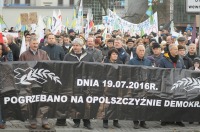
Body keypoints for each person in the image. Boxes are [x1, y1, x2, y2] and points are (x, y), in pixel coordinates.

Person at [19, 36, 50, 129]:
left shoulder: (43, 53)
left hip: (41, 81)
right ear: (29, 43)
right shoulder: (24, 55)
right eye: (34, 43)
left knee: (44, 101)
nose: (36, 45)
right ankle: (33, 121)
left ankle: (45, 121)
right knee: (31, 102)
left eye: (37, 43)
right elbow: (20, 67)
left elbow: (49, 64)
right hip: (29, 82)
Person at [62, 38, 94, 129]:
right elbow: (64, 68)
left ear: (81, 46)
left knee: (86, 103)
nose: (75, 47)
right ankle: (76, 121)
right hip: (73, 83)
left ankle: (87, 122)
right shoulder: (68, 56)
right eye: (74, 45)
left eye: (77, 45)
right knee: (75, 103)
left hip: (85, 84)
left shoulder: (88, 56)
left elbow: (93, 68)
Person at [159, 44, 185, 127]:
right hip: (167, 84)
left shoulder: (180, 59)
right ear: (170, 50)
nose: (177, 51)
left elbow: (183, 69)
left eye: (177, 49)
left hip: (178, 83)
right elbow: (160, 72)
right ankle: (165, 119)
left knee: (178, 102)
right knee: (167, 102)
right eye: (175, 49)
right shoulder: (163, 59)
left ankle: (178, 120)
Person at [128, 45, 151, 129]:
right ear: (137, 51)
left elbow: (150, 73)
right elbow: (129, 73)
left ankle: (143, 122)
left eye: (143, 50)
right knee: (136, 104)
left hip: (145, 86)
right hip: (135, 86)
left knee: (144, 104)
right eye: (140, 50)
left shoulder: (148, 62)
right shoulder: (131, 61)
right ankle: (136, 122)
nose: (142, 52)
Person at [102, 48, 122, 128]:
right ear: (110, 55)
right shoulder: (105, 63)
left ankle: (115, 121)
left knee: (116, 104)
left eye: (116, 54)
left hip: (117, 86)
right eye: (113, 54)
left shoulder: (120, 63)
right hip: (107, 87)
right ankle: (105, 121)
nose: (115, 55)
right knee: (106, 104)